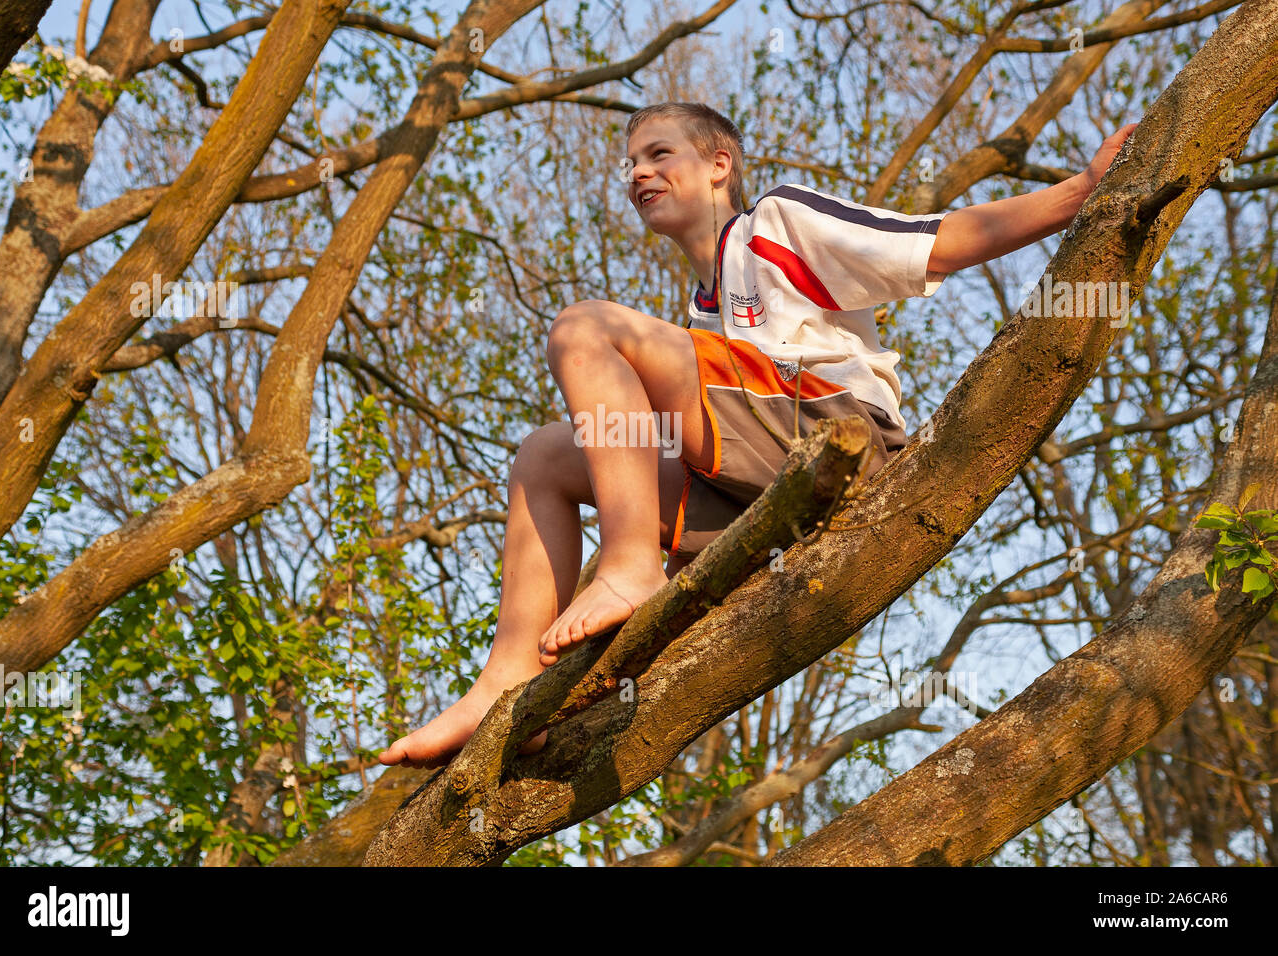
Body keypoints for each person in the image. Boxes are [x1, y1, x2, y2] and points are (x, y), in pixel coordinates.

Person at [378, 101, 1137, 768]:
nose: (637, 173)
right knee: (544, 454)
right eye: (628, 163)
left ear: (719, 165)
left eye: (658, 154)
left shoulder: (778, 224)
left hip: (834, 439)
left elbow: (935, 240)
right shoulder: (704, 310)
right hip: (751, 484)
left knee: (586, 327)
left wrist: (1081, 189)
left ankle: (630, 565)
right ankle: (506, 677)